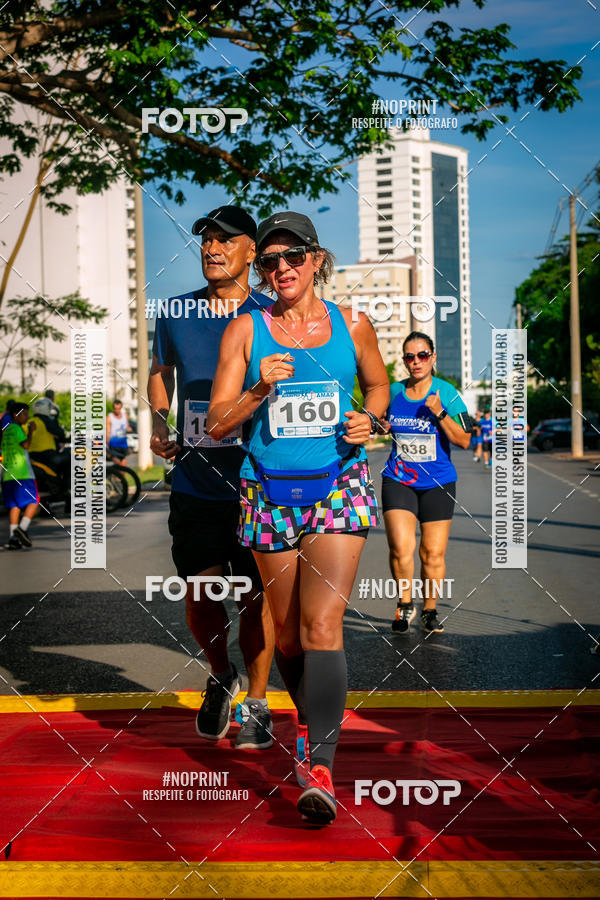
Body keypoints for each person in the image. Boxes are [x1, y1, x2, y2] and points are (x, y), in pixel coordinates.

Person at [207, 211, 389, 824]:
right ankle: (311, 725)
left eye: (293, 257)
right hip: (267, 492)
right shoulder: (245, 331)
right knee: (286, 634)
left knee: (321, 626)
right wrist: (257, 391)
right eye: (269, 262)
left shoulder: (354, 324)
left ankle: (320, 765)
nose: (281, 269)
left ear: (316, 259)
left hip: (337, 485)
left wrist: (373, 422)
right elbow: (215, 423)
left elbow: (378, 387)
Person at [148, 205, 276, 751]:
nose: (212, 249)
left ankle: (260, 703)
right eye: (205, 241)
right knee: (202, 592)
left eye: (225, 240)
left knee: (254, 599)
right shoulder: (176, 312)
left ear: (253, 250)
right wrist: (159, 423)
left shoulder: (274, 314)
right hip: (196, 479)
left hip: (258, 480)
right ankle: (221, 673)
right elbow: (159, 375)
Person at [381, 332, 472, 636]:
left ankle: (429, 610)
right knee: (401, 548)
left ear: (433, 357)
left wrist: (440, 412)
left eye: (422, 355)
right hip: (399, 480)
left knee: (432, 553)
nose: (415, 362)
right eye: (409, 356)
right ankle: (405, 604)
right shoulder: (393, 391)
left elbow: (464, 440)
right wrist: (380, 425)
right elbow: (377, 421)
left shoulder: (448, 392)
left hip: (438, 483)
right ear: (404, 360)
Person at [1, 401, 39, 549]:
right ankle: (22, 529)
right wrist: (30, 432)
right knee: (35, 500)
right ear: (16, 415)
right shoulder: (17, 428)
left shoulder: (6, 429)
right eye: (24, 414)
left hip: (8, 473)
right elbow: (26, 445)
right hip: (22, 473)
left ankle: (13, 538)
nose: (26, 417)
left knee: (15, 506)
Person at [28, 397, 69, 481]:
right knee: (70, 456)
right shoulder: (46, 421)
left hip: (31, 455)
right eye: (50, 408)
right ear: (45, 409)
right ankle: (67, 486)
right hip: (47, 455)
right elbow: (60, 434)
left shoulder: (29, 421)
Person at [106, 399, 131, 465]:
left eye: (119, 408)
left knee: (123, 464)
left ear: (121, 407)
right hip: (113, 443)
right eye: (115, 408)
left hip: (123, 443)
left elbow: (127, 427)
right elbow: (107, 431)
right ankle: (115, 474)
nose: (117, 410)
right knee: (117, 463)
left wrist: (129, 429)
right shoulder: (109, 417)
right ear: (113, 408)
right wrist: (107, 443)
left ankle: (120, 475)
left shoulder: (125, 415)